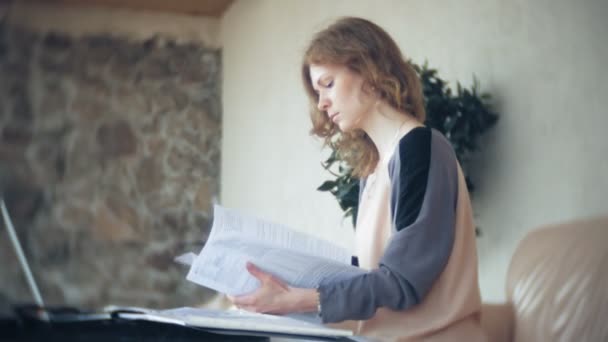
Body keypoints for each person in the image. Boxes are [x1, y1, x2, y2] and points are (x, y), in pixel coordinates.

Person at [230, 17, 487, 341]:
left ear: (368, 70)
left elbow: (402, 282)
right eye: (317, 91)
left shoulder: (421, 148)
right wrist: (283, 290)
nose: (321, 103)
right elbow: (371, 277)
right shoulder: (374, 169)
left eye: (328, 83)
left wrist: (298, 299)